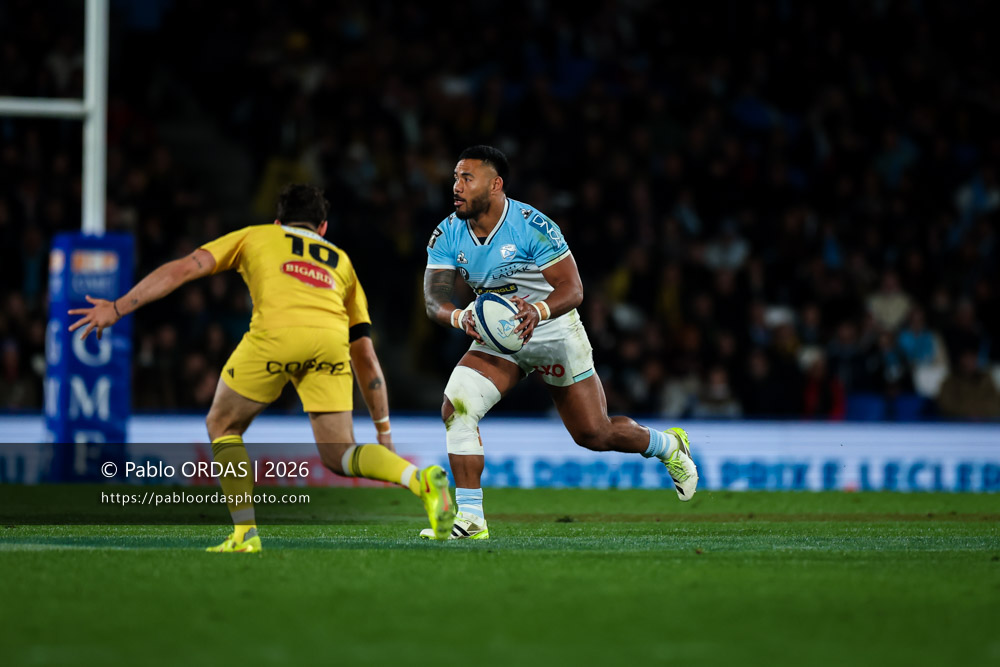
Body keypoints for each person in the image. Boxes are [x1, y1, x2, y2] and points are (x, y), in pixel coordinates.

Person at [69, 184, 455, 552]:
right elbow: (366, 356)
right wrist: (383, 430)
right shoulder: (341, 261)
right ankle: (419, 480)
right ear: (322, 228)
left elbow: (183, 269)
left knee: (223, 425)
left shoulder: (256, 236)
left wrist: (117, 307)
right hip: (329, 342)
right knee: (340, 453)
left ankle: (245, 533)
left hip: (277, 334)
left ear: (278, 223)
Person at [421, 146, 697, 540]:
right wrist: (460, 315)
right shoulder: (447, 232)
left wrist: (538, 312)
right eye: (455, 178)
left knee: (593, 434)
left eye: (467, 178)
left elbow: (574, 288)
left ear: (495, 185)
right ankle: (470, 520)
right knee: (457, 406)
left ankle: (668, 446)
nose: (456, 186)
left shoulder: (532, 225)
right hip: (498, 335)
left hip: (552, 329)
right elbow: (434, 299)